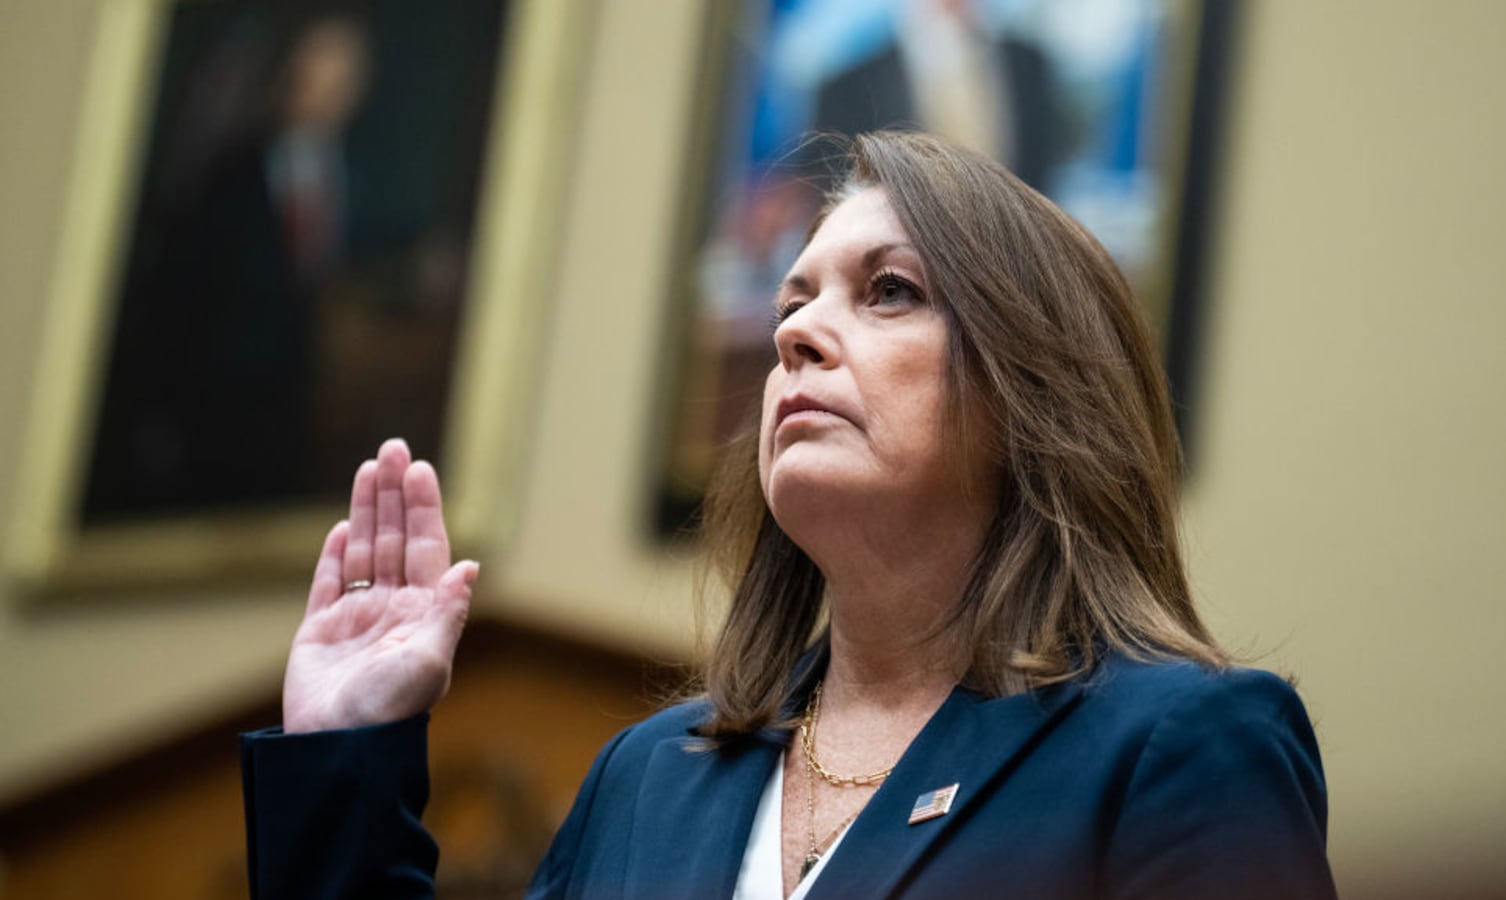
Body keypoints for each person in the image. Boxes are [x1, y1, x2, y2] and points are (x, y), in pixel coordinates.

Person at [240, 131, 1336, 899]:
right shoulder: (647, 778)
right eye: (792, 301)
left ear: (1033, 391)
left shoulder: (1183, 748)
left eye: (888, 291)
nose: (795, 335)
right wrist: (349, 751)